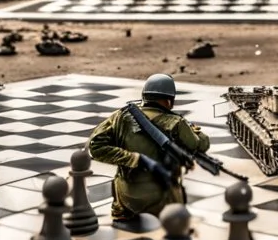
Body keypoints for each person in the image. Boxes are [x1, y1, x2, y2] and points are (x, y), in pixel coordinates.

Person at [87, 73, 210, 224]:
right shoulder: (177, 122)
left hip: (127, 196)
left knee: (120, 183)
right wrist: (195, 131)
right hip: (160, 197)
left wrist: (132, 158)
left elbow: (95, 146)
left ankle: (120, 212)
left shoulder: (121, 116)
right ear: (169, 101)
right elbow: (201, 145)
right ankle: (175, 221)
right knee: (177, 207)